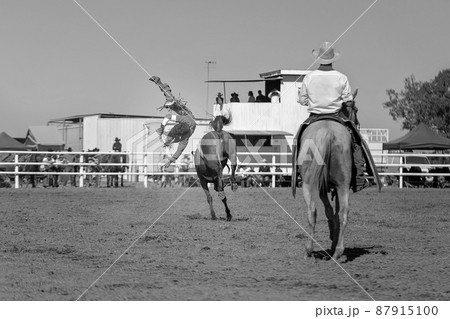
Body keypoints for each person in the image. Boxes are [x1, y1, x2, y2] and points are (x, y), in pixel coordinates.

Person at [298, 41, 369, 192]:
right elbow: (348, 99)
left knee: (298, 140)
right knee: (356, 142)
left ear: (318, 58)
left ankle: (300, 173)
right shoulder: (341, 77)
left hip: (315, 117)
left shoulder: (309, 77)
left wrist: (311, 101)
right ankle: (359, 177)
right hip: (336, 116)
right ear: (333, 59)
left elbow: (302, 100)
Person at [149, 76, 197, 168]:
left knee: (168, 141)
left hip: (185, 126)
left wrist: (170, 161)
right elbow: (168, 116)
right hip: (188, 115)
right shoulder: (184, 121)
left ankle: (166, 140)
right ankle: (159, 83)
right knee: (172, 100)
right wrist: (162, 128)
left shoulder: (184, 138)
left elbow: (179, 151)